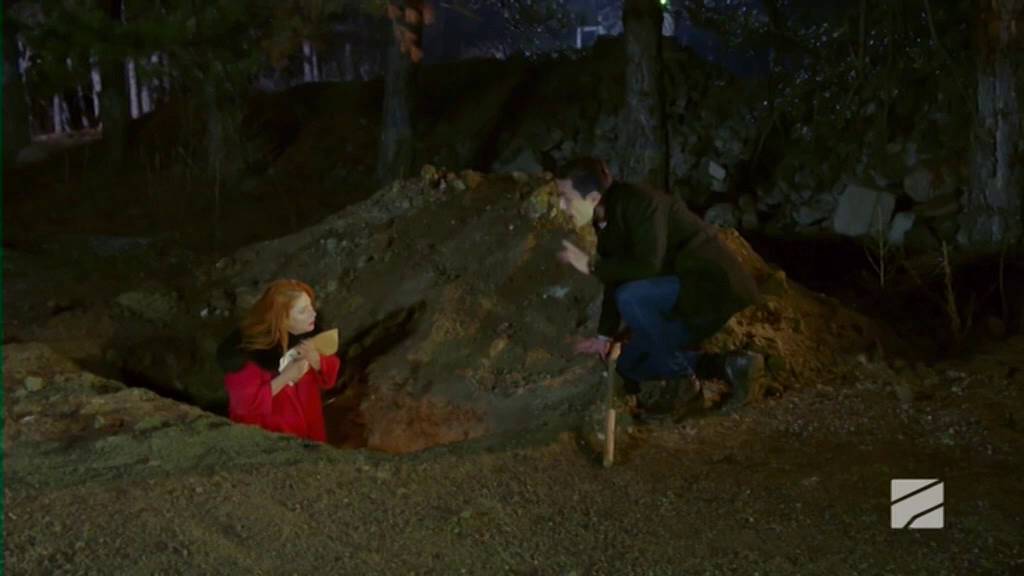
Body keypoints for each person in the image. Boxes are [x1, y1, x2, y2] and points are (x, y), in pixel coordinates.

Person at [554, 157, 763, 415]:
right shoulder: (605, 221)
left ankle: (685, 386)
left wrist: (591, 266)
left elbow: (647, 267)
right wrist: (603, 337)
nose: (561, 205)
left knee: (631, 298)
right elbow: (616, 275)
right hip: (680, 301)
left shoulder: (641, 203)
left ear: (594, 198)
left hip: (711, 289)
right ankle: (730, 366)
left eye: (566, 198)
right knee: (628, 364)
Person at [216, 279, 341, 442]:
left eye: (311, 306)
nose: (313, 314)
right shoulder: (249, 354)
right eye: (302, 311)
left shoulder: (307, 336)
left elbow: (329, 379)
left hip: (310, 427)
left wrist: (317, 361)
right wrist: (285, 377)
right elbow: (243, 406)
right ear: (281, 318)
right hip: (272, 437)